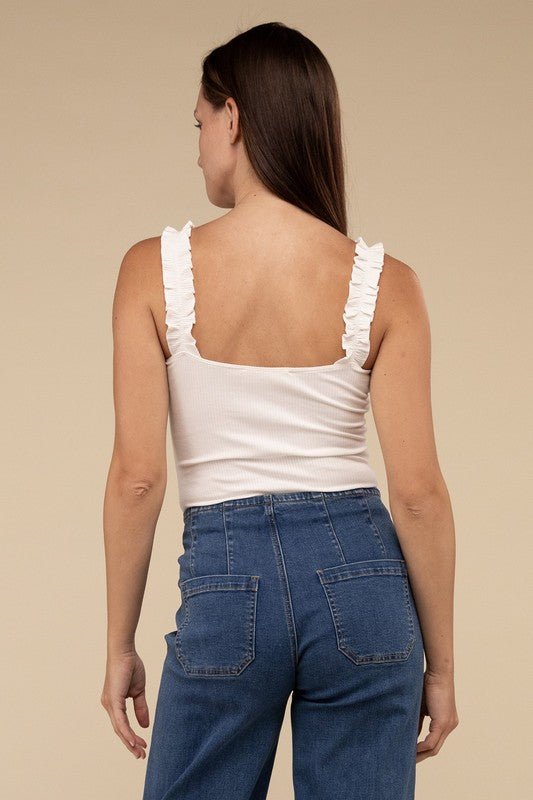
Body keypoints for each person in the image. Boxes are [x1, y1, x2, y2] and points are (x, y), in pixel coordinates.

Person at [100, 20, 459, 800]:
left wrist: (119, 642)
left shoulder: (150, 271)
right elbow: (420, 496)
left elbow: (136, 478)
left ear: (233, 118)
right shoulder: (384, 280)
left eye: (199, 123)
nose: (197, 146)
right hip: (364, 580)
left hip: (228, 584)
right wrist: (441, 664)